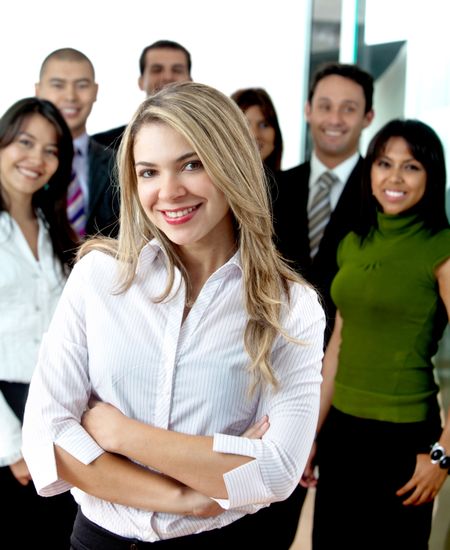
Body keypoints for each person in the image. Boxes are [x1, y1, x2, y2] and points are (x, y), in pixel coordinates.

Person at [22, 81, 325, 549]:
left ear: (231, 164)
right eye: (148, 172)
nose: (168, 192)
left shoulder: (289, 305)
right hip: (98, 540)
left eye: (191, 164)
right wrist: (188, 495)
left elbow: (277, 470)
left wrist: (119, 434)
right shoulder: (99, 277)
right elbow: (47, 437)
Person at [308, 119, 450, 549]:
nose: (394, 177)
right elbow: (337, 347)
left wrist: (444, 455)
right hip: (343, 436)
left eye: (411, 167)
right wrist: (311, 435)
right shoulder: (354, 242)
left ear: (432, 176)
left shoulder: (441, 250)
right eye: (384, 163)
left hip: (405, 442)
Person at [0, 97, 78, 546]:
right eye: (25, 142)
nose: (37, 159)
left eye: (51, 150)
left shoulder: (53, 227)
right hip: (6, 415)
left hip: (50, 408)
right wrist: (13, 448)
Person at [276, 62, 374, 341]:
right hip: (278, 349)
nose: (335, 119)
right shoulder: (274, 187)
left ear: (368, 117)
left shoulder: (382, 195)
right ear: (308, 110)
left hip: (352, 354)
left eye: (349, 109)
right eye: (325, 106)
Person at [36, 47, 119, 238]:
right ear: (38, 90)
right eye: (58, 85)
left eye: (81, 85)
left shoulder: (118, 162)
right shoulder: (17, 162)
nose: (71, 96)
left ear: (95, 91)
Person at [92, 40, 192, 150]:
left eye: (177, 70)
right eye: (157, 70)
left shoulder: (211, 135)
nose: (167, 77)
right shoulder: (102, 145)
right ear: (141, 82)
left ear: (190, 81)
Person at [231, 87, 283, 174]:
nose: (254, 135)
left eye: (264, 125)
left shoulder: (292, 185)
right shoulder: (209, 185)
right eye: (244, 126)